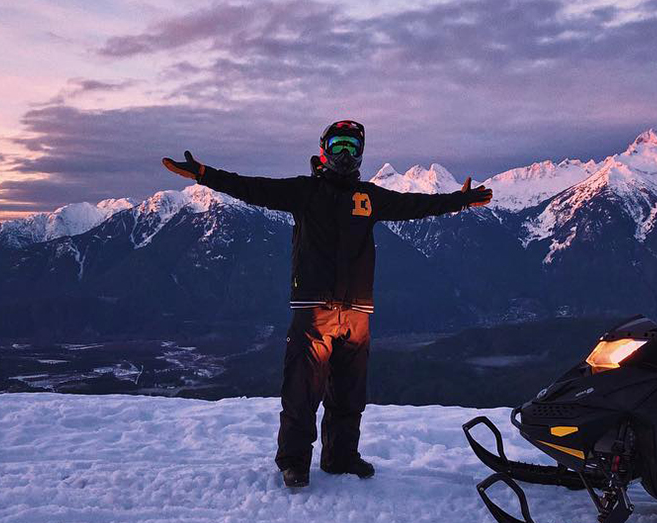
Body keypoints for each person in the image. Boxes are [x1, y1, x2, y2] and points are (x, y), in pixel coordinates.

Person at [163, 120, 493, 488]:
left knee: (350, 393)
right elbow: (250, 187)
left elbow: (417, 205)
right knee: (302, 391)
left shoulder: (370, 198)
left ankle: (341, 457)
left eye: (353, 146)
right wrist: (205, 175)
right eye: (338, 145)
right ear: (323, 150)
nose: (346, 154)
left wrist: (461, 201)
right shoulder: (304, 192)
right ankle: (294, 462)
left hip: (357, 312)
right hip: (314, 310)